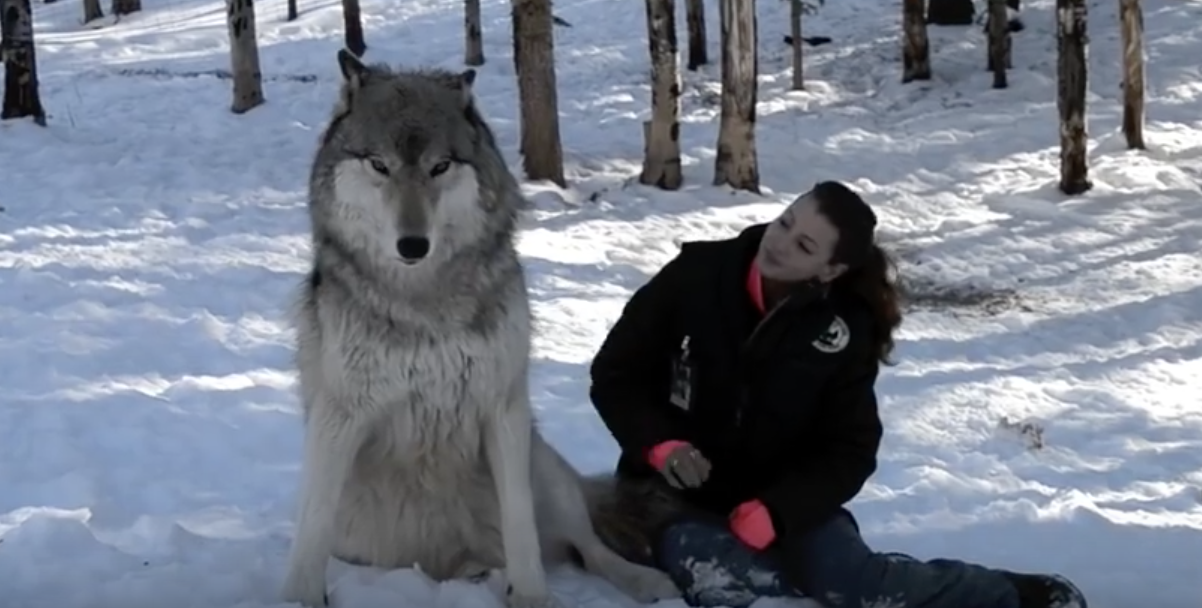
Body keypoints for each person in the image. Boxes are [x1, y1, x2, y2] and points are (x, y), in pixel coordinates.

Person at [586, 181, 1088, 608]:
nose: (779, 243)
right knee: (730, 584)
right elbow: (615, 374)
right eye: (785, 222)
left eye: (805, 246)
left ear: (829, 271)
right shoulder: (694, 276)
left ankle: (1013, 594)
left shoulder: (843, 329)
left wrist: (779, 511)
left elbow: (849, 449)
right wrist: (660, 445)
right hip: (671, 499)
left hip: (784, 501)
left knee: (853, 583)